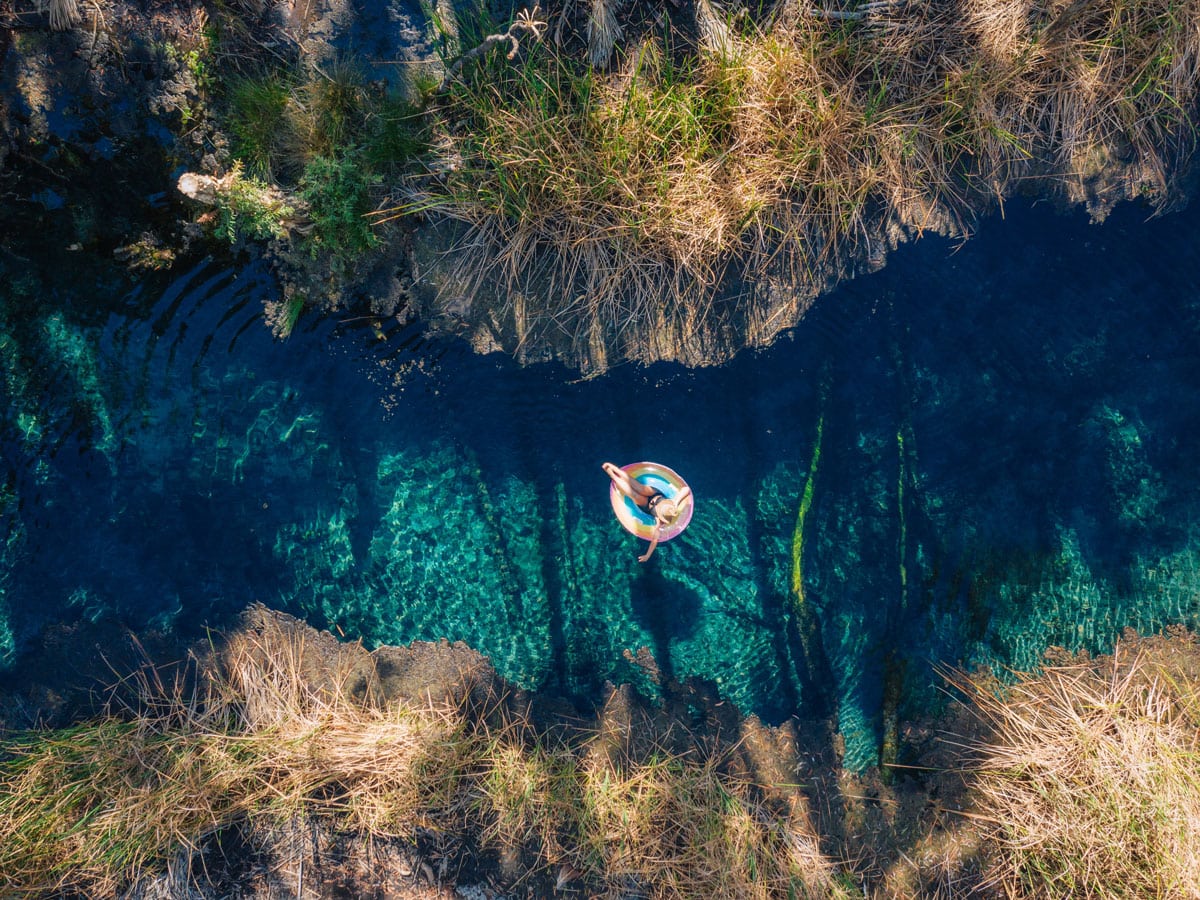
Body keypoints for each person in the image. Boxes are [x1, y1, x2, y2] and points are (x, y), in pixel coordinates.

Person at [602, 462, 693, 562]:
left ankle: (612, 475)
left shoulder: (660, 521)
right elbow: (686, 489)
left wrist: (647, 556)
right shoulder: (673, 504)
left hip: (646, 506)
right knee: (638, 487)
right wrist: (675, 503)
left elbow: (654, 540)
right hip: (654, 494)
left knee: (634, 495)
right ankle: (615, 469)